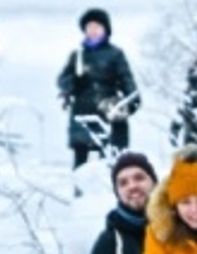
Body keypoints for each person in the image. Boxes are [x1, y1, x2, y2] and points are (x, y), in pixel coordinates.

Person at [57, 9, 139, 169]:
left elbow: (126, 80)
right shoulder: (78, 55)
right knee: (80, 160)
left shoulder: (116, 54)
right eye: (89, 27)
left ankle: (109, 192)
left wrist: (131, 101)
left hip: (109, 110)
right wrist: (71, 84)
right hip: (82, 110)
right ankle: (79, 192)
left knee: (111, 160)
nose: (93, 30)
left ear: (105, 29)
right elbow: (63, 79)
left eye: (97, 27)